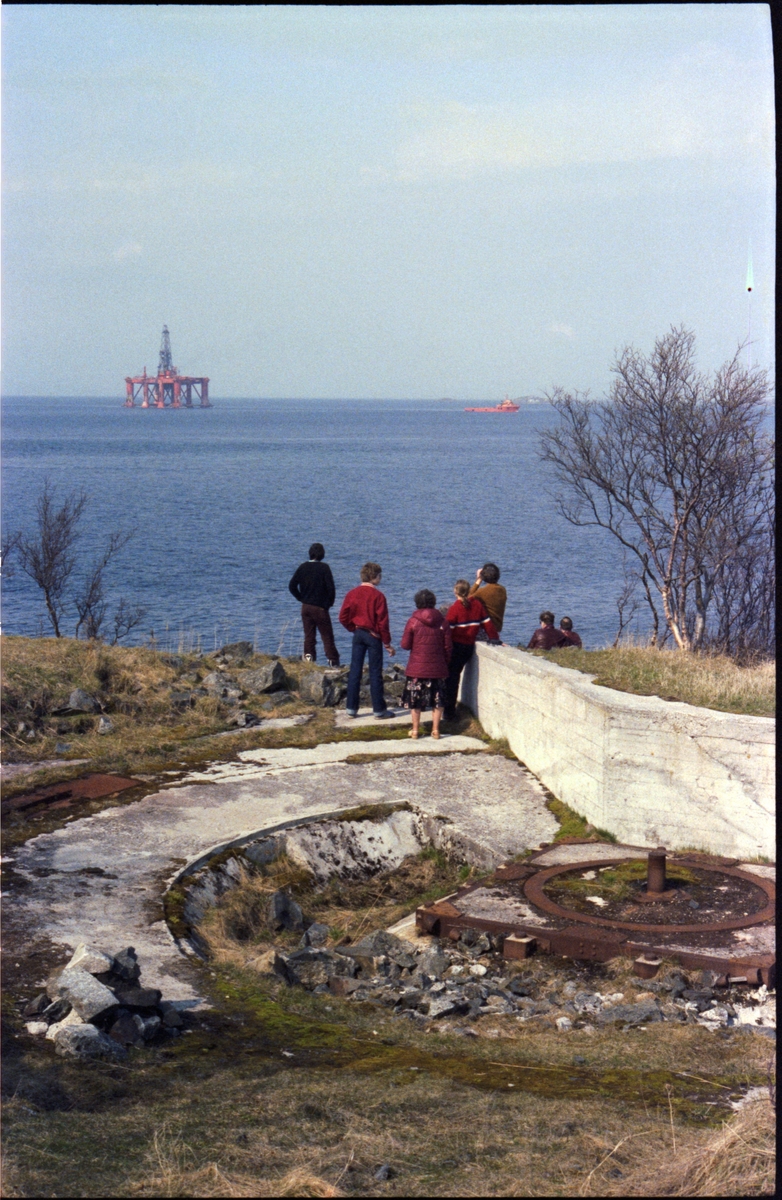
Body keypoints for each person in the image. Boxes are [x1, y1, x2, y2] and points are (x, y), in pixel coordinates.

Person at [339, 562, 396, 719]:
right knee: (375, 672)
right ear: (374, 577)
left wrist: (353, 628)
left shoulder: (352, 593)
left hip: (358, 633)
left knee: (355, 670)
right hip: (373, 636)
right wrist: (387, 644)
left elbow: (342, 616)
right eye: (379, 576)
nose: (381, 578)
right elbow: (383, 623)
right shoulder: (378, 596)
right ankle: (378, 709)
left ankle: (351, 708)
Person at [443, 579, 499, 721]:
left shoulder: (455, 608)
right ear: (468, 591)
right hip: (468, 647)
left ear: (455, 592)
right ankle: (450, 710)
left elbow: (448, 631)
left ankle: (449, 712)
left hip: (456, 647)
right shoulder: (477, 605)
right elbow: (487, 624)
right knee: (454, 677)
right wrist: (494, 638)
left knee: (452, 679)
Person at [400, 589, 452, 739]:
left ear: (417, 603)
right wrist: (445, 663)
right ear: (433, 602)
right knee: (438, 699)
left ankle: (415, 730)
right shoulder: (443, 622)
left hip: (417, 668)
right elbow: (448, 647)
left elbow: (405, 645)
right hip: (437, 667)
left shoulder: (413, 621)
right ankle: (436, 729)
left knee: (414, 700)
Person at [288, 543, 340, 666]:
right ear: (322, 555)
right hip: (320, 607)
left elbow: (292, 586)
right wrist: (329, 604)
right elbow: (331, 589)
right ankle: (332, 660)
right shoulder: (324, 568)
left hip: (306, 607)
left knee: (309, 635)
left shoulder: (303, 567)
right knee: (326, 635)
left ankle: (308, 658)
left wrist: (301, 598)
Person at [468, 562, 507, 634]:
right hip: (497, 628)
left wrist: (478, 580)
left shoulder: (482, 592)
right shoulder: (502, 589)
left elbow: (466, 599)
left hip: (486, 628)